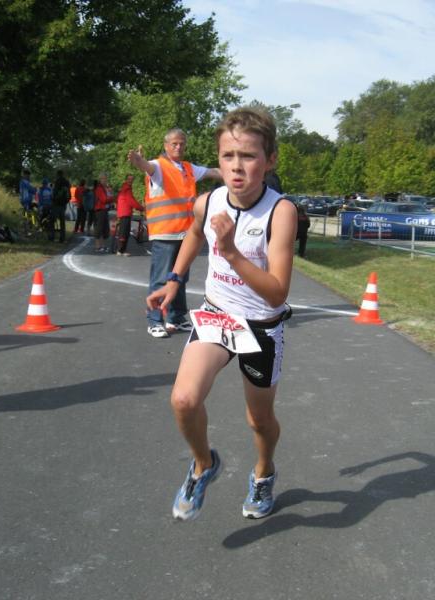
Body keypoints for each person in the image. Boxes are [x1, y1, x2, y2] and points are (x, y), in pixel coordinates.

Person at [146, 106, 297, 521]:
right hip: (219, 314)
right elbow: (195, 233)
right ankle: (203, 464)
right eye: (228, 156)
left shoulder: (280, 212)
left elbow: (277, 292)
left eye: (248, 156)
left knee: (259, 420)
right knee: (183, 399)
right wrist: (174, 279)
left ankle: (264, 472)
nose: (236, 166)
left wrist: (230, 252)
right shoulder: (208, 200)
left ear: (269, 160)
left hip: (262, 326)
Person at [128, 127, 222, 338]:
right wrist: (138, 161)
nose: (178, 147)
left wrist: (234, 168)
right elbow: (146, 166)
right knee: (161, 279)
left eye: (182, 144)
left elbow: (213, 172)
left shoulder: (188, 168)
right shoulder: (159, 166)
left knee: (179, 278)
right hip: (165, 233)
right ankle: (154, 320)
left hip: (185, 234)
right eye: (174, 144)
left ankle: (176, 318)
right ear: (166, 146)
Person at [115, 174, 144, 256]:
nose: (130, 181)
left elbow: (131, 199)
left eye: (132, 179)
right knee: (124, 232)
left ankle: (121, 249)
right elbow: (131, 201)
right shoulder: (127, 189)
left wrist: (139, 207)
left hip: (123, 212)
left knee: (124, 231)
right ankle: (121, 250)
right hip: (125, 212)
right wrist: (141, 208)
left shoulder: (125, 188)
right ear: (126, 180)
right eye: (129, 179)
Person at [93, 174, 114, 253]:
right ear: (100, 180)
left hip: (104, 210)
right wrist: (112, 198)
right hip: (100, 210)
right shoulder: (99, 188)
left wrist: (110, 195)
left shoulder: (105, 188)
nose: (105, 180)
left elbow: (108, 198)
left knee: (105, 228)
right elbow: (104, 200)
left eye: (105, 179)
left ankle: (103, 246)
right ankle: (98, 246)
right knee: (99, 228)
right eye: (103, 179)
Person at [51, 170, 70, 243]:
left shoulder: (57, 182)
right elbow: (69, 194)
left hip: (56, 204)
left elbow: (54, 192)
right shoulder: (67, 182)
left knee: (52, 220)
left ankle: (52, 237)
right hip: (63, 204)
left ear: (58, 174)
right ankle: (62, 238)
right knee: (62, 221)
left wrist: (53, 200)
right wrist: (66, 201)